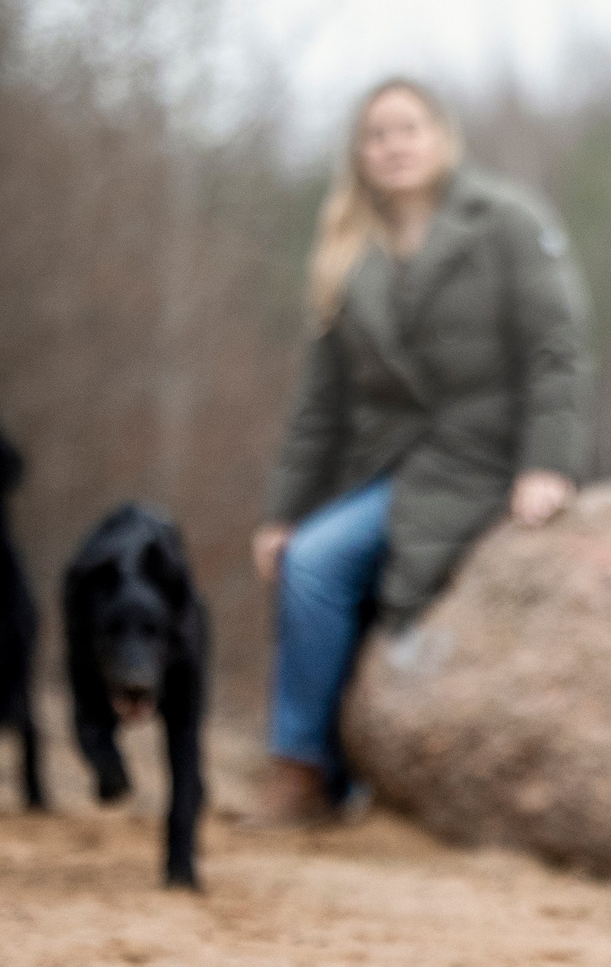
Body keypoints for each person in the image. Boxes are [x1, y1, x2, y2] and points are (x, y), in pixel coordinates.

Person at [249, 78, 592, 824]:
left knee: (398, 582)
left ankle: (364, 778)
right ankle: (303, 770)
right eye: (377, 134)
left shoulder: (507, 221)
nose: (394, 145)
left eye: (408, 128)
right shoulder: (346, 249)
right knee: (309, 561)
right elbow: (321, 408)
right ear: (359, 153)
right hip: (386, 466)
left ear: (441, 136)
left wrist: (547, 465)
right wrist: (282, 514)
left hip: (487, 457)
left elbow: (555, 352)